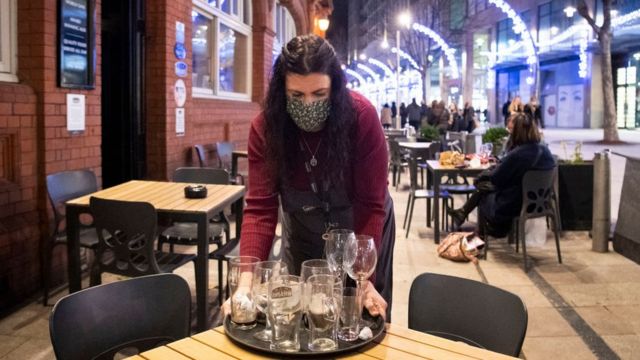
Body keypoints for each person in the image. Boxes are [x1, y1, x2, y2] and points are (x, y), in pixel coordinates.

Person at [232, 35, 395, 320]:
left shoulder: (362, 118)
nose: (308, 105)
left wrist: (363, 279)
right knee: (304, 317)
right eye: (297, 96)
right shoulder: (266, 129)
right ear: (282, 92)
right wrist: (247, 282)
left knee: (362, 317)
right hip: (304, 230)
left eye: (319, 94)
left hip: (362, 229)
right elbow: (261, 209)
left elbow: (370, 204)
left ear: (335, 88)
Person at [447, 112, 555, 237]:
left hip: (514, 206)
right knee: (486, 186)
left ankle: (484, 236)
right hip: (541, 204)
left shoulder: (518, 154)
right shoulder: (545, 151)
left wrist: (482, 176)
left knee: (483, 189)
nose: (509, 133)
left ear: (516, 132)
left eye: (511, 130)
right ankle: (471, 219)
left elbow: (496, 178)